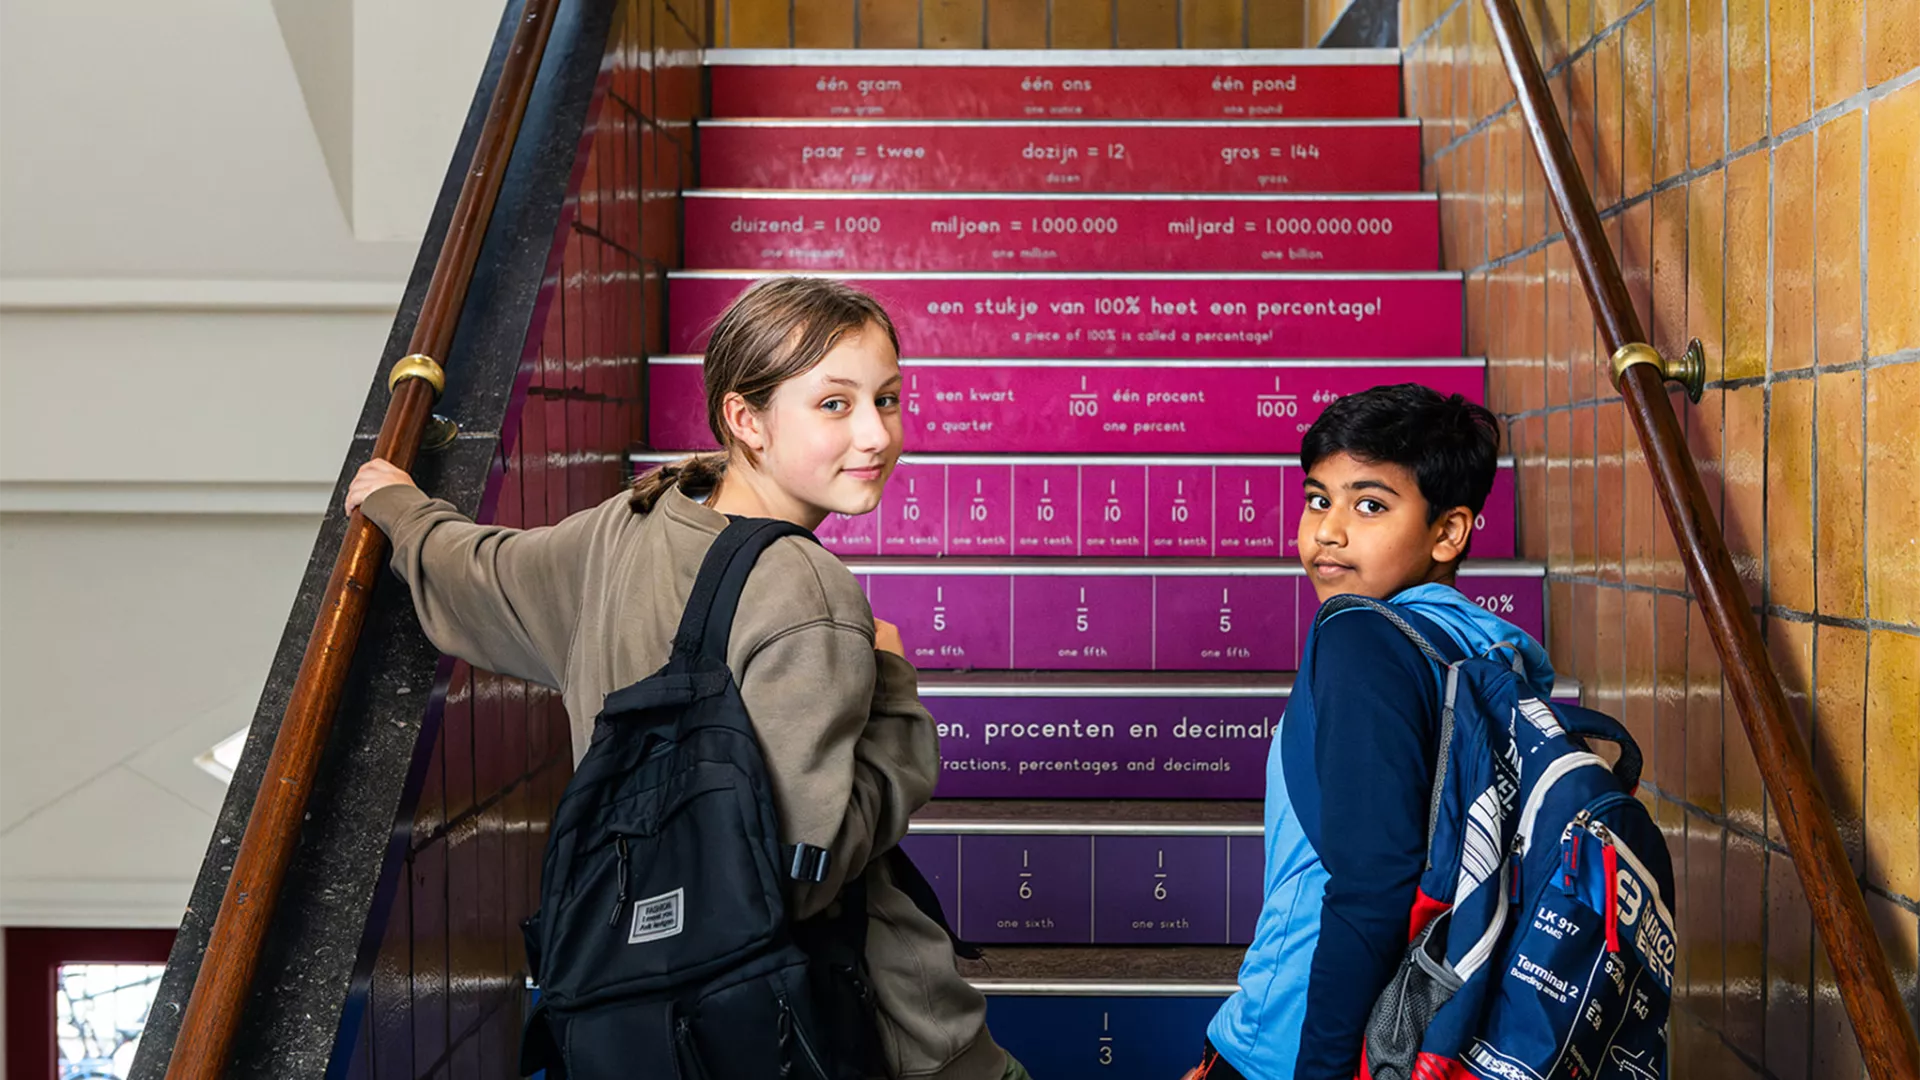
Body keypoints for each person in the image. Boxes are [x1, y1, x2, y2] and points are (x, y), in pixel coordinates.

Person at [346, 276, 1025, 1080]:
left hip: (656, 1024)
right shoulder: (806, 591)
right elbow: (802, 870)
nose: (876, 435)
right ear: (746, 418)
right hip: (863, 1036)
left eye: (888, 398)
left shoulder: (621, 529)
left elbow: (475, 574)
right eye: (835, 405)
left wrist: (401, 507)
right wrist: (894, 692)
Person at [1186, 384, 1556, 1080]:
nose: (1328, 530)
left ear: (1449, 532)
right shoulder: (1487, 652)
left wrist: (1319, 1067)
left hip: (1303, 1041)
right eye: (1318, 499)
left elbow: (1373, 883)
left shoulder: (1359, 636)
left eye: (1371, 505)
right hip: (1424, 1034)